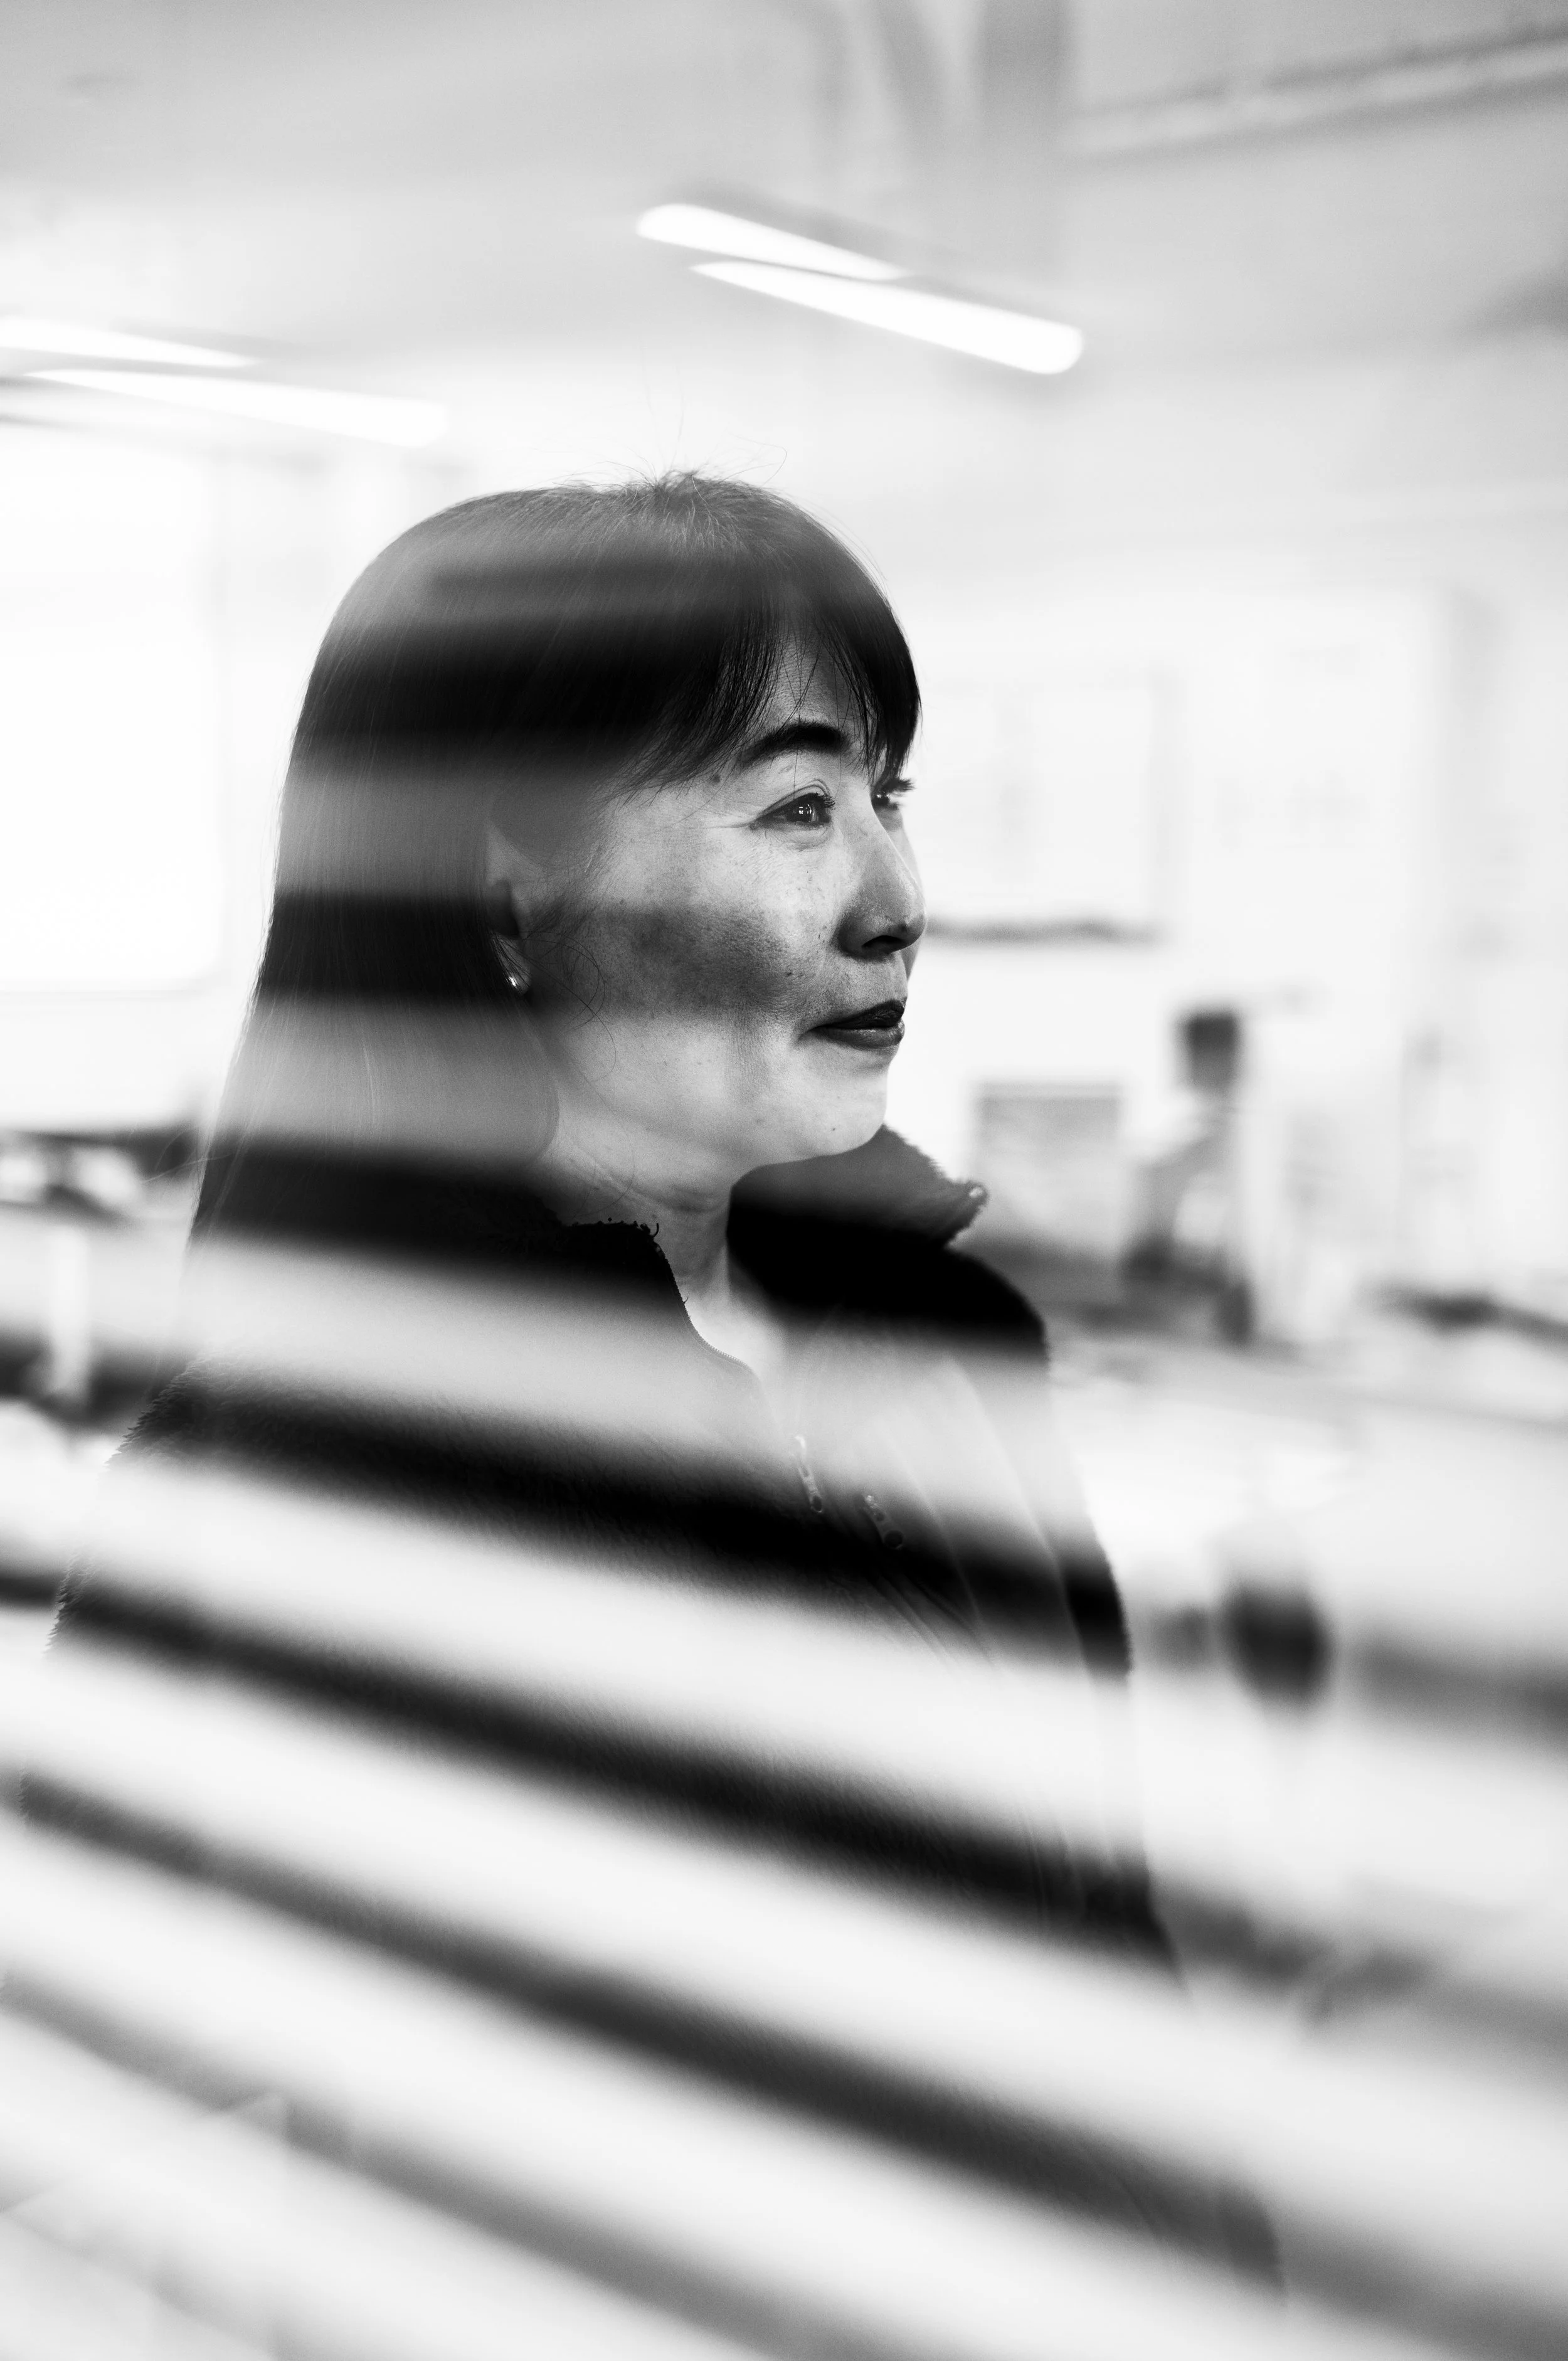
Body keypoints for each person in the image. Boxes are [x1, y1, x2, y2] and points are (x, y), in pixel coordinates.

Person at [28, 477, 1277, 2333]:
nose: (893, 898)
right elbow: (98, 2125)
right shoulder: (295, 1469)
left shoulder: (952, 1351)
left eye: (887, 796)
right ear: (506, 888)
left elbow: (1108, 1957)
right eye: (792, 808)